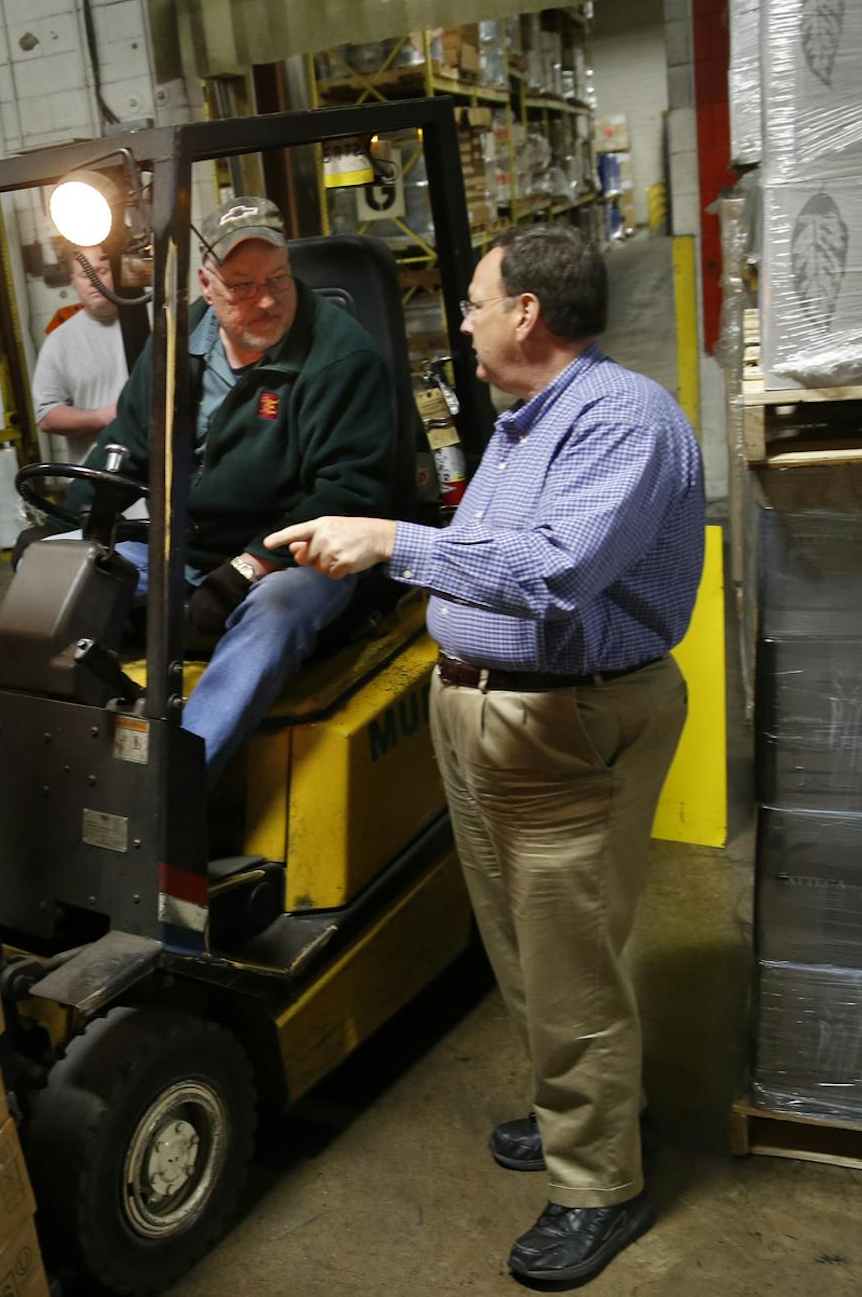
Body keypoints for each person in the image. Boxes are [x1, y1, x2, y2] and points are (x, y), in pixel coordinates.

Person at [269, 224, 703, 1287]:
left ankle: (600, 1181)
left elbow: (553, 572)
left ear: (527, 313)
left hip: (570, 721)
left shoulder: (623, 420)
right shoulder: (523, 422)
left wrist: (390, 540)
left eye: (471, 301)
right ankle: (576, 1106)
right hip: (485, 712)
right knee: (519, 942)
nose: (460, 320)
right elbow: (492, 558)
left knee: (571, 958)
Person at [74, 196, 399, 777]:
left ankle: (174, 791)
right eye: (242, 286)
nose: (268, 299)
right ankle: (71, 770)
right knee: (71, 581)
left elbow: (348, 493)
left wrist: (251, 565)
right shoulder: (176, 344)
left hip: (304, 554)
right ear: (206, 281)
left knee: (275, 613)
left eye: (278, 279)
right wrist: (68, 530)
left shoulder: (340, 358)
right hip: (188, 544)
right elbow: (129, 444)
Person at [31, 247, 130, 443]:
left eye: (102, 271)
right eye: (85, 274)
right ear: (73, 281)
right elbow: (46, 416)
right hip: (97, 468)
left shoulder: (153, 319)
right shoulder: (59, 342)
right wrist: (104, 417)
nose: (94, 281)